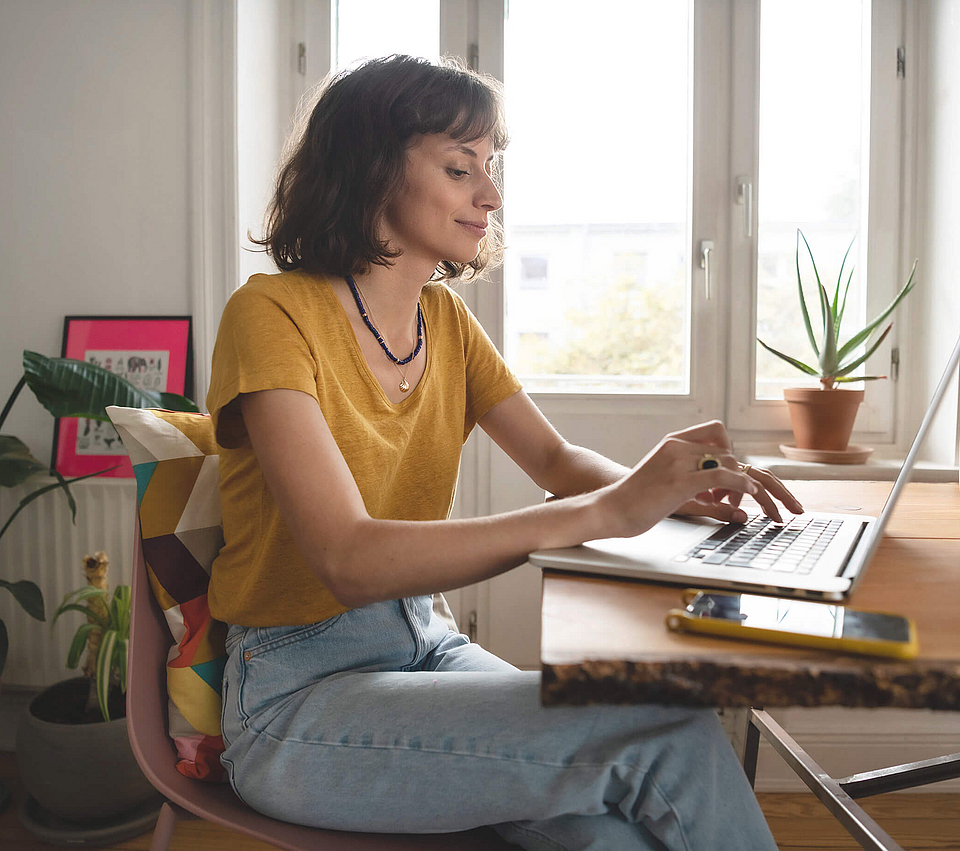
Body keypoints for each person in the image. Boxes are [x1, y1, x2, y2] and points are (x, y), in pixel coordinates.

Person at [207, 54, 799, 850]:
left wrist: (659, 490)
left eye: (491, 168)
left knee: (609, 837)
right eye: (461, 168)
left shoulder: (444, 324)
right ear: (372, 167)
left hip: (423, 643)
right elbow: (345, 556)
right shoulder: (270, 314)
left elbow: (556, 461)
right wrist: (603, 511)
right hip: (294, 698)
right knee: (666, 729)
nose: (491, 195)